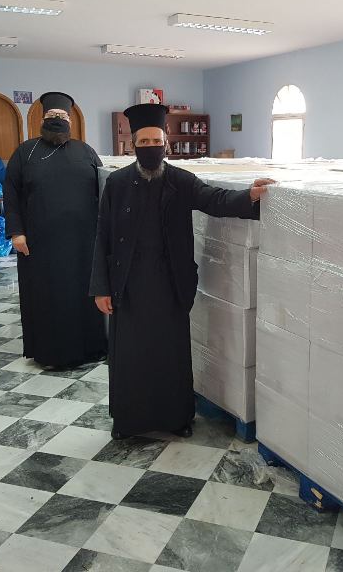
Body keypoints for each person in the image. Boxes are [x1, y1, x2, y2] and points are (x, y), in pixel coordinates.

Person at [91, 103, 274, 440]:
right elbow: (102, 234)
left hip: (170, 284)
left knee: (170, 355)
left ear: (166, 144)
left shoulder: (180, 180)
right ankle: (129, 422)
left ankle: (176, 419)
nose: (150, 148)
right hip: (127, 285)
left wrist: (249, 196)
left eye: (155, 141)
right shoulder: (117, 183)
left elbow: (214, 199)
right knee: (130, 357)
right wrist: (101, 287)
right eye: (143, 142)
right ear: (133, 145)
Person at [4, 92, 107, 369]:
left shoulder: (86, 152)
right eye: (52, 116)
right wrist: (16, 232)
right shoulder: (25, 152)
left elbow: (103, 192)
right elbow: (11, 194)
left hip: (83, 244)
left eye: (62, 116)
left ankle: (91, 349)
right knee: (47, 297)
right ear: (42, 119)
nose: (57, 120)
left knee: (83, 296)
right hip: (41, 245)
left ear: (70, 121)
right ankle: (50, 354)